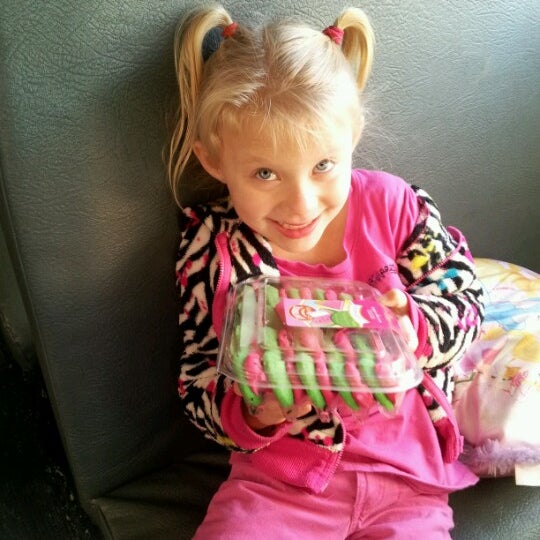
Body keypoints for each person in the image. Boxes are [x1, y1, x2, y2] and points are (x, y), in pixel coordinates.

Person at [168, 4, 485, 539]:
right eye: (265, 173)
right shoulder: (214, 249)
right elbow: (197, 375)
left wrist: (416, 325)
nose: (301, 204)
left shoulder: (394, 206)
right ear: (214, 160)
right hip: (277, 485)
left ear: (353, 134)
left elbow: (465, 296)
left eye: (322, 166)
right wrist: (251, 413)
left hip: (407, 483)